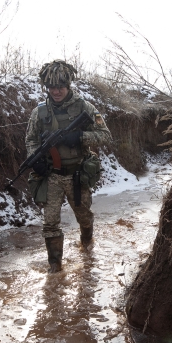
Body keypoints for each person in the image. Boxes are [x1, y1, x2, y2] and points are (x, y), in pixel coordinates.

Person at [26, 60, 112, 272]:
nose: (56, 92)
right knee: (50, 223)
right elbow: (31, 140)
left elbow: (105, 136)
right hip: (52, 176)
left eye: (60, 87)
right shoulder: (40, 112)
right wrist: (35, 159)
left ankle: (87, 244)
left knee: (83, 216)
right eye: (51, 88)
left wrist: (80, 137)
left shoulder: (84, 107)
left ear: (69, 86)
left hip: (77, 175)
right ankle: (55, 267)